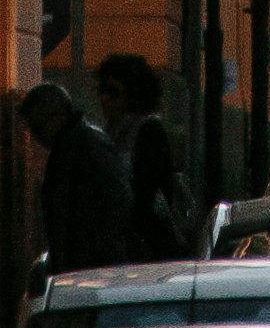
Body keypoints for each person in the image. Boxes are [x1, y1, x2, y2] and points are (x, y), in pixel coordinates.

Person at [21, 77, 135, 276]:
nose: (36, 137)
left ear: (58, 117)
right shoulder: (72, 147)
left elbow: (117, 200)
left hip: (92, 270)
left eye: (38, 127)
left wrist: (95, 256)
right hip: (84, 268)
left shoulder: (87, 145)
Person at [95, 54, 188, 258]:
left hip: (146, 245)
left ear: (133, 95)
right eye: (102, 91)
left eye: (114, 93)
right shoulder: (108, 132)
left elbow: (148, 190)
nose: (104, 98)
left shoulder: (148, 131)